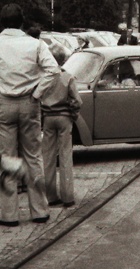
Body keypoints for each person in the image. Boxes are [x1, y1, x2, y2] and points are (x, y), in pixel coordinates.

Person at [0, 3, 60, 227]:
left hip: (3, 104)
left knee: (7, 158)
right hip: (29, 103)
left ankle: (9, 215)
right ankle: (40, 211)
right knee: (33, 156)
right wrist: (37, 93)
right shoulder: (35, 44)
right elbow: (53, 70)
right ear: (22, 21)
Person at [41, 44, 82, 208]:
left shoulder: (44, 76)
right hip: (64, 118)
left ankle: (50, 196)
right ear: (63, 59)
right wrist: (73, 113)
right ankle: (67, 197)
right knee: (65, 156)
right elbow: (77, 101)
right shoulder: (67, 77)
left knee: (48, 157)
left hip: (48, 118)